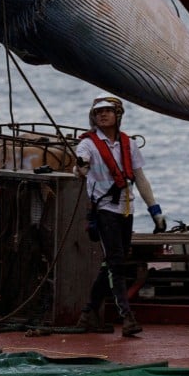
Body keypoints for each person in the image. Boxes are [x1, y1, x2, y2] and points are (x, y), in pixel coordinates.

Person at [74, 93, 166, 337]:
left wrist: (154, 209)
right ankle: (126, 317)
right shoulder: (87, 144)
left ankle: (88, 313)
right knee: (116, 262)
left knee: (113, 262)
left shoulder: (129, 144)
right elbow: (80, 166)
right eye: (97, 112)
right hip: (104, 211)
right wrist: (80, 167)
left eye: (107, 111)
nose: (102, 115)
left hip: (127, 209)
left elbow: (140, 178)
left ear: (118, 115)